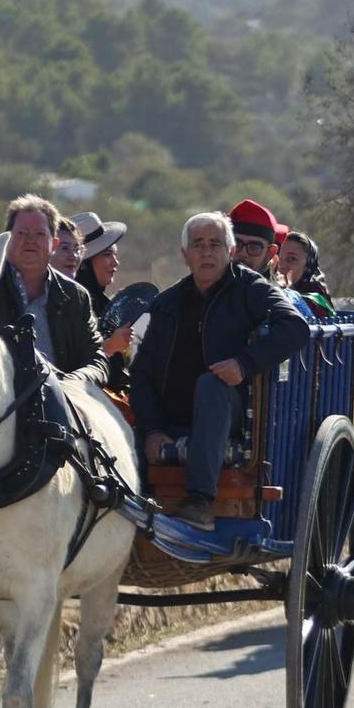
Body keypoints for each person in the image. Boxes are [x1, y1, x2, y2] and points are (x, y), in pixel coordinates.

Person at [130, 211, 309, 530]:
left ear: (229, 251)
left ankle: (200, 500)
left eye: (215, 244)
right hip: (172, 422)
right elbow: (142, 373)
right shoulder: (166, 304)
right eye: (198, 245)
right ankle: (132, 506)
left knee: (211, 385)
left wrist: (244, 363)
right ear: (185, 255)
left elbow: (295, 328)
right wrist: (153, 428)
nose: (207, 252)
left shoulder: (250, 289)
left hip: (231, 417)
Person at [0, 194, 108, 385]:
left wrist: (75, 381)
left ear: (54, 244)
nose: (30, 240)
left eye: (40, 234)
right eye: (22, 233)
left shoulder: (75, 296)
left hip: (62, 403)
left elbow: (96, 359)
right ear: (7, 240)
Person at [70, 211, 132, 387]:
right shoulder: (70, 305)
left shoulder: (102, 303)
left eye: (114, 254)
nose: (115, 263)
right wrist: (111, 346)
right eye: (106, 255)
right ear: (84, 264)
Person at [278, 230, 335, 315]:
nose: (281, 265)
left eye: (291, 259)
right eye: (278, 258)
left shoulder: (317, 302)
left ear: (308, 265)